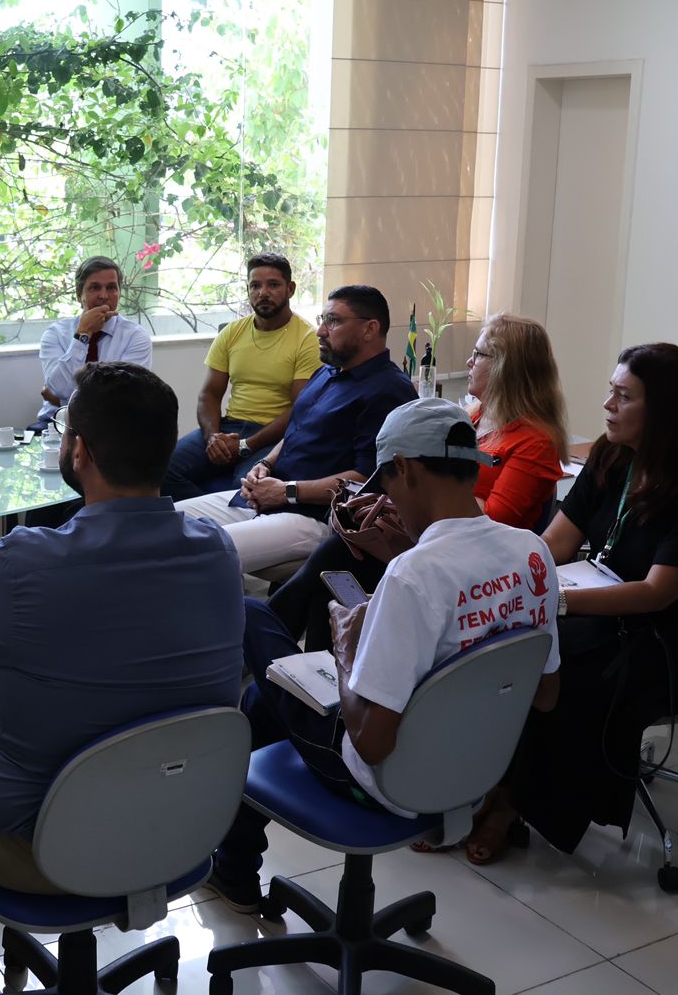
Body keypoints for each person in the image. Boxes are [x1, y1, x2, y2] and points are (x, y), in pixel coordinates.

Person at [0, 362, 244, 893]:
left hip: (42, 853)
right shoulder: (218, 551)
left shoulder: (22, 561)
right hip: (176, 831)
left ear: (80, 452)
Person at [206, 398, 562, 912]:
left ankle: (233, 867)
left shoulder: (414, 576)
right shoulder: (532, 551)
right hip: (475, 768)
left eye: (388, 486)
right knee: (266, 700)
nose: (387, 500)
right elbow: (546, 694)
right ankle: (233, 866)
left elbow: (371, 744)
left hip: (385, 780)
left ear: (405, 469)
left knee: (252, 615)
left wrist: (347, 650)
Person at [467, 343, 678, 864]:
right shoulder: (611, 455)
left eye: (623, 396)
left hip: (676, 633)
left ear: (664, 409)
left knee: (564, 669)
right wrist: (509, 585)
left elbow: (656, 593)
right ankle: (486, 783)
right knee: (505, 642)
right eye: (611, 391)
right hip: (603, 603)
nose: (607, 405)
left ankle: (512, 802)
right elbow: (554, 544)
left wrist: (557, 603)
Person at [269, 312, 569, 649]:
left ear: (506, 367)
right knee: (333, 573)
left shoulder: (534, 442)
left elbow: (492, 522)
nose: (469, 361)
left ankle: (268, 635)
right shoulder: (475, 418)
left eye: (479, 354)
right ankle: (295, 652)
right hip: (425, 538)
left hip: (466, 562)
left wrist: (430, 490)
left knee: (336, 563)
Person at [176, 285, 416, 574]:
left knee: (197, 554)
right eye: (322, 319)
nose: (320, 331)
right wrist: (265, 464)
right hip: (269, 497)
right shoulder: (326, 373)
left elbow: (366, 481)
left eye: (333, 321)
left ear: (370, 329)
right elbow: (296, 428)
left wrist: (287, 492)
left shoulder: (389, 391)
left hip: (314, 516)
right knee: (165, 523)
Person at [162, 253, 321, 501]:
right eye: (255, 286)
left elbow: (298, 409)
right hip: (230, 427)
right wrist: (213, 437)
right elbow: (209, 394)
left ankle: (219, 515)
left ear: (290, 289)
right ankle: (205, 517)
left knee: (246, 489)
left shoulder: (307, 338)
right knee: (161, 471)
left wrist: (246, 446)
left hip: (273, 435)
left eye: (273, 285)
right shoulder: (232, 332)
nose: (263, 293)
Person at [32, 256, 153, 429]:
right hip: (56, 424)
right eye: (95, 287)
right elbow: (60, 388)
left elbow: (124, 399)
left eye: (111, 288)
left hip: (112, 426)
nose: (104, 296)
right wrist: (83, 334)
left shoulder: (135, 337)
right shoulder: (55, 334)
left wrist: (61, 400)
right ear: (79, 294)